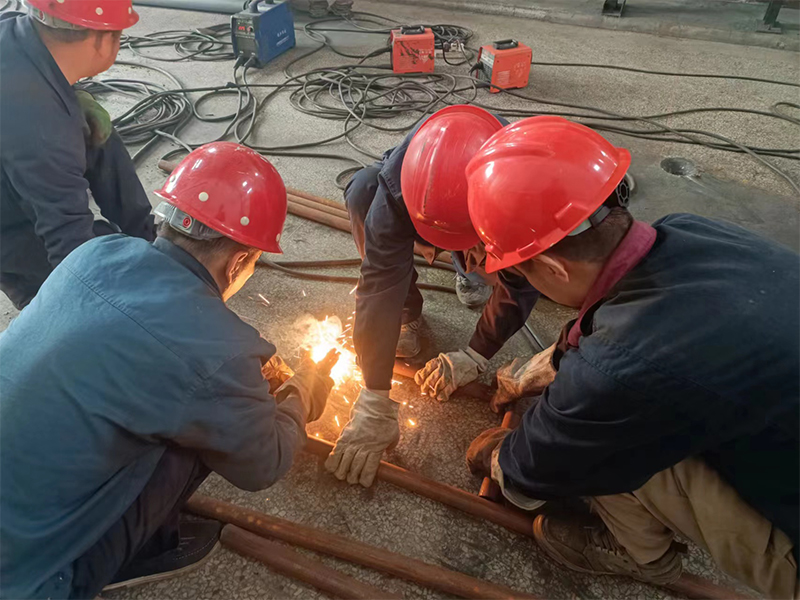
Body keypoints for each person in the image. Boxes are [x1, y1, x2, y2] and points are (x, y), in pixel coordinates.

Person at [464, 116, 798, 598]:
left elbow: (533, 472)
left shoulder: (618, 369)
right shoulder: (688, 232)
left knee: (603, 447)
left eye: (521, 273)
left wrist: (499, 456)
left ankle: (644, 558)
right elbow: (611, 321)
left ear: (553, 266)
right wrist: (543, 367)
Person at [0, 143, 338, 599]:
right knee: (201, 428)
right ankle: (143, 551)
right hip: (32, 581)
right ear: (239, 261)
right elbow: (264, 463)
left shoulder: (96, 253)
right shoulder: (220, 352)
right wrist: (303, 392)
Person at [327, 105, 543, 488]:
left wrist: (478, 351)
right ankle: (409, 314)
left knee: (509, 270)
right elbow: (379, 282)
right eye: (468, 254)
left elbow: (524, 282)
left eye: (475, 252)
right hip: (425, 207)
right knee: (362, 188)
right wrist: (375, 397)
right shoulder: (400, 185)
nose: (475, 256)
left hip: (491, 209)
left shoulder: (518, 181)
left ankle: (476, 274)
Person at [0, 0, 155, 310]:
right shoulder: (41, 124)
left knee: (91, 125)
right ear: (103, 38)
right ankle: (38, 300)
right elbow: (67, 243)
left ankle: (150, 236)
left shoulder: (13, 31)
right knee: (106, 269)